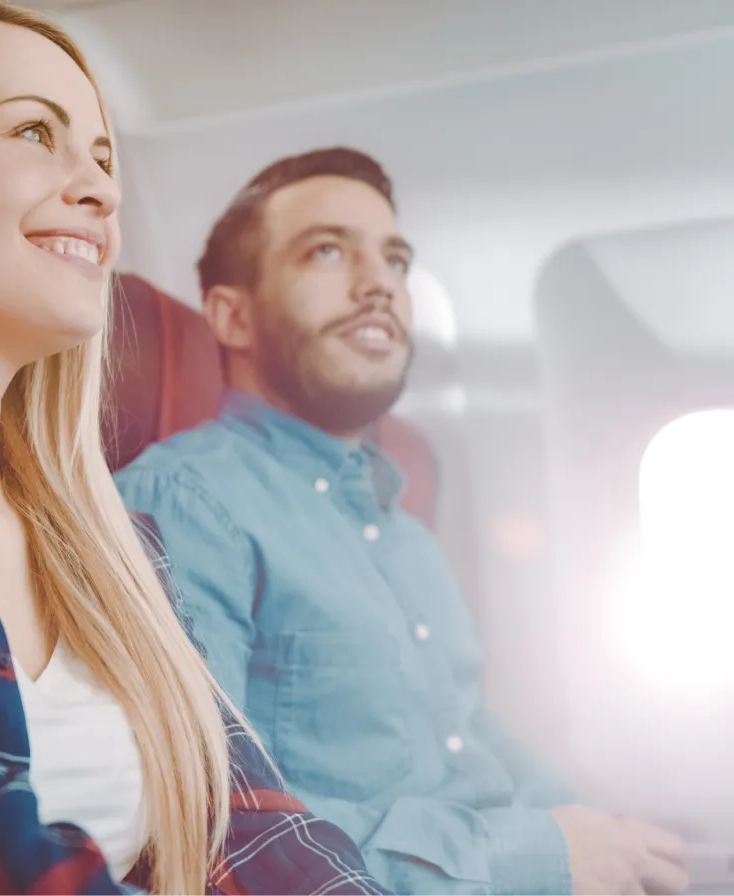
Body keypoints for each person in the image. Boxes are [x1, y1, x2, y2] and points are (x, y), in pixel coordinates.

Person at [0, 7, 394, 896]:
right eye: (36, 132)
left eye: (106, 160)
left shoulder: (120, 548)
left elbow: (253, 827)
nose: (103, 192)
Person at [116, 148, 690, 896]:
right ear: (233, 315)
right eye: (327, 251)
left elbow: (470, 739)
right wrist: (538, 856)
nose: (378, 283)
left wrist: (598, 832)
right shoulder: (183, 503)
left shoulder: (407, 535)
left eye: (395, 259)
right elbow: (210, 825)